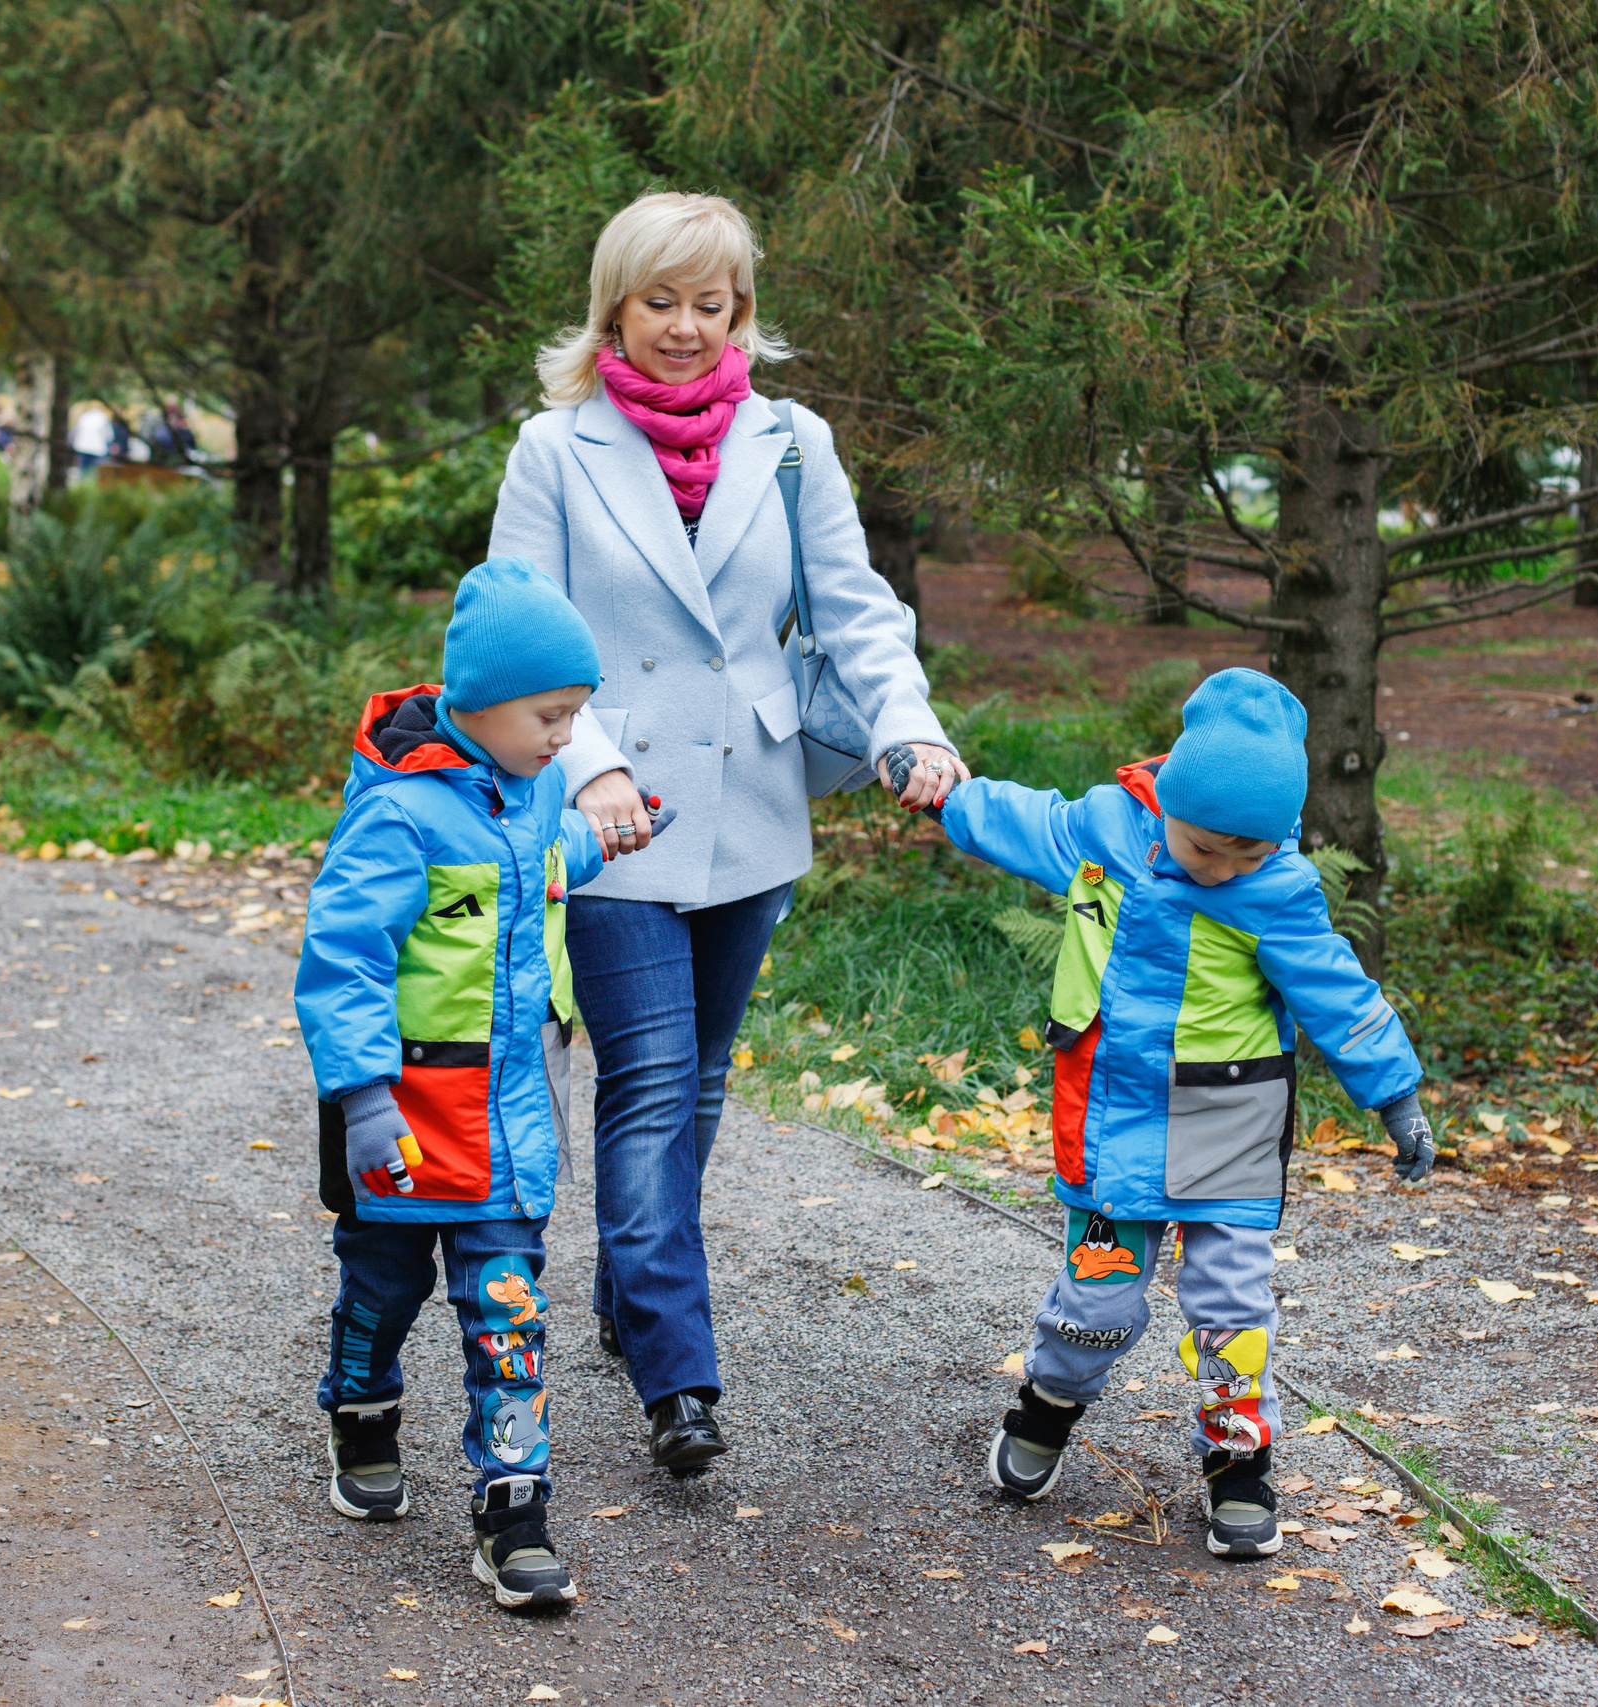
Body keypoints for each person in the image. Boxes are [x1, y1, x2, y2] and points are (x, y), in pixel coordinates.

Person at [486, 191, 965, 1475]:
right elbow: (524, 626)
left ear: (740, 310)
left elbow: (856, 615)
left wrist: (906, 730)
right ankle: (676, 1379)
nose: (687, 328)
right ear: (614, 310)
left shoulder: (792, 442)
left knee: (694, 1086)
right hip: (616, 815)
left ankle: (627, 1298)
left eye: (713, 303)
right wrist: (581, 773)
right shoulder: (555, 450)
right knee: (645, 1085)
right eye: (661, 302)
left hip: (752, 807)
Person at [914, 668, 1434, 1558]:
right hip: (1119, 1122)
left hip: (1228, 1129)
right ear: (1169, 808)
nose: (1227, 867)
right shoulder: (1109, 831)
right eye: (1207, 847)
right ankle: (1045, 1409)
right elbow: (1025, 820)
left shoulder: (1280, 890)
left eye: (1250, 850)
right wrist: (949, 799)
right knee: (1099, 1297)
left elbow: (1342, 998)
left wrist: (1397, 1096)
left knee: (1232, 1307)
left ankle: (1239, 1468)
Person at [294, 558, 620, 1611]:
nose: (565, 736)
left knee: (509, 1315)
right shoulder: (399, 817)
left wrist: (604, 835)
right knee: (383, 1292)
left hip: (511, 1127)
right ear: (477, 704)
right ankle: (362, 1415)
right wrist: (362, 1096)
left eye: (574, 716)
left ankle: (512, 1511)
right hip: (406, 1123)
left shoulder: (537, 794)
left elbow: (545, 862)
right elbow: (342, 961)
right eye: (549, 715)